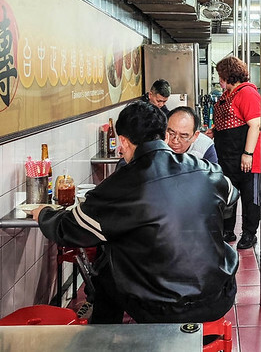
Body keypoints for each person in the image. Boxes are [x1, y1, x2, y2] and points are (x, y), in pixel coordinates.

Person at [34, 101, 238, 324]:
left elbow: (70, 229)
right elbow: (230, 198)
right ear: (164, 135)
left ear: (123, 141)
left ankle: (103, 337)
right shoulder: (206, 169)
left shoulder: (120, 185)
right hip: (219, 295)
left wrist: (44, 214)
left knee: (106, 268)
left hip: (164, 310)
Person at [208, 56, 261, 249]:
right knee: (228, 194)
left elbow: (255, 124)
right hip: (227, 156)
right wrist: (214, 130)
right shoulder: (228, 95)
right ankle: (228, 230)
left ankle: (249, 233)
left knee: (250, 198)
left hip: (247, 157)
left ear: (228, 74)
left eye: (220, 75)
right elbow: (230, 120)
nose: (219, 80)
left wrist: (247, 154)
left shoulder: (247, 92)